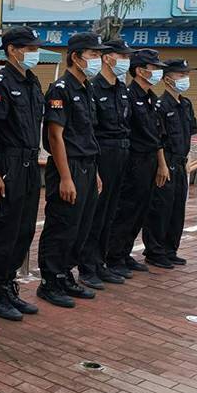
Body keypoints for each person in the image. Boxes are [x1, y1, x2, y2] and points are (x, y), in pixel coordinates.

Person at [36, 32, 107, 308]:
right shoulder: (61, 89)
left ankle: (65, 274)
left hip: (87, 165)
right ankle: (50, 281)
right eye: (93, 54)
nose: (98, 59)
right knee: (62, 225)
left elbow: (88, 134)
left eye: (99, 55)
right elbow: (55, 137)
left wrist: (95, 172)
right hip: (68, 166)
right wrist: (66, 177)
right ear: (76, 57)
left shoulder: (87, 88)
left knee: (81, 225)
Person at [0, 26, 44, 322]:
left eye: (35, 48)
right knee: (3, 230)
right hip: (9, 164)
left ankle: (8, 285)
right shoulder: (0, 84)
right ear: (12, 50)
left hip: (30, 163)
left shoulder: (33, 82)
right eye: (29, 48)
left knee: (24, 229)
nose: (34, 53)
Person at [77, 37, 136, 290]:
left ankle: (101, 262)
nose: (126, 61)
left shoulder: (121, 88)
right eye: (122, 56)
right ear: (108, 58)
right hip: (102, 154)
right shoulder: (94, 87)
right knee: (96, 213)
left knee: (112, 212)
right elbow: (90, 129)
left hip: (122, 153)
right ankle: (87, 266)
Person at [105, 49, 168, 278]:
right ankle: (113, 257)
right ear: (140, 71)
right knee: (126, 210)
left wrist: (161, 163)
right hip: (133, 161)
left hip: (149, 161)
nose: (158, 72)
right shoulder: (128, 95)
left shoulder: (152, 98)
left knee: (141, 210)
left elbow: (158, 135)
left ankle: (124, 253)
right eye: (154, 68)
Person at [142, 59, 197, 268]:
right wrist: (162, 165)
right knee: (161, 209)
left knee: (177, 208)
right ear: (167, 80)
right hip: (167, 162)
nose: (185, 79)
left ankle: (170, 249)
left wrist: (188, 159)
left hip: (181, 162)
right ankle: (155, 252)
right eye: (181, 75)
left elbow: (189, 134)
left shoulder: (186, 104)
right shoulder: (160, 105)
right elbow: (158, 138)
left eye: (187, 75)